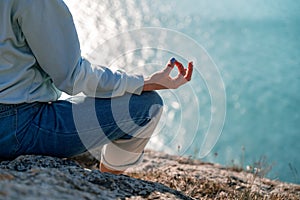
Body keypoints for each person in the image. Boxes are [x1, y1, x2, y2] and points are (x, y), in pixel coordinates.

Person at [0, 0, 193, 174]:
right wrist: (145, 82)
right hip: (16, 128)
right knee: (146, 107)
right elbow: (73, 77)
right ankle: (108, 182)